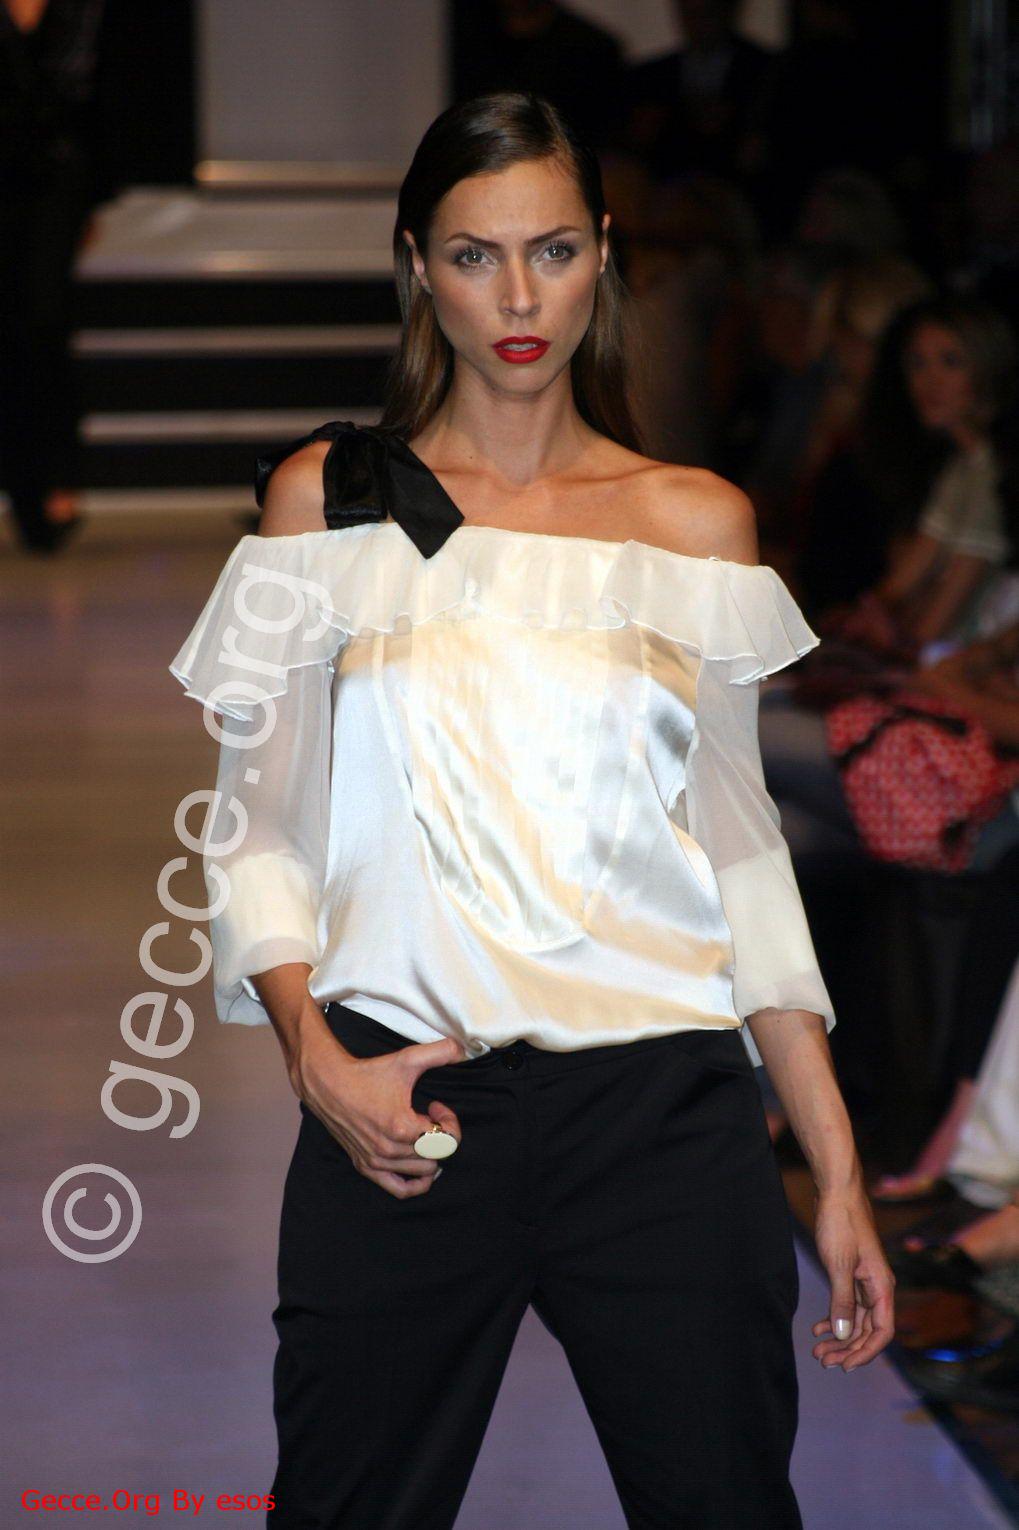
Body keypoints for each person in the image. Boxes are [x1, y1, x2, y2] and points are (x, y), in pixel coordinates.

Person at [169, 92, 894, 1530]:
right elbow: (254, 827)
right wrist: (315, 1061)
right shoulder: (330, 503)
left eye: (551, 251)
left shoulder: (693, 523)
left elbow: (741, 854)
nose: (516, 298)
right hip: (401, 1103)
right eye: (473, 255)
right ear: (415, 266)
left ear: (603, 254)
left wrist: (835, 1167)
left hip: (661, 1118)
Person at [0, 0, 105, 554]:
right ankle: (29, 489)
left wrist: (92, 193)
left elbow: (98, 92)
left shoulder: (78, 10)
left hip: (54, 175)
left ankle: (51, 482)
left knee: (42, 324)